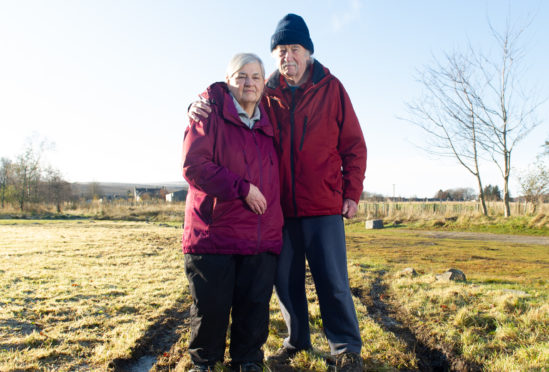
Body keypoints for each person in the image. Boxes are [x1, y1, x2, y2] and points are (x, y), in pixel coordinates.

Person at [189, 14, 367, 372]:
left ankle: (345, 348)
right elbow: (233, 94)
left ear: (309, 53)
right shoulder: (267, 91)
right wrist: (198, 101)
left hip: (324, 205)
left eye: (294, 49)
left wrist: (352, 190)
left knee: (333, 281)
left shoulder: (332, 88)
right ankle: (296, 340)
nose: (288, 57)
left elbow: (354, 145)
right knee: (285, 284)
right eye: (281, 51)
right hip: (279, 209)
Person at [182, 53, 283, 372]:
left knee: (254, 310)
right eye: (241, 76)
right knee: (211, 311)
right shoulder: (208, 114)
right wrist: (243, 188)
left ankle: (248, 361)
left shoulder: (271, 120)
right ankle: (205, 363)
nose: (249, 82)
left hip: (260, 237)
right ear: (228, 82)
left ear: (265, 84)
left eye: (256, 76)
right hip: (214, 236)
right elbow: (195, 166)